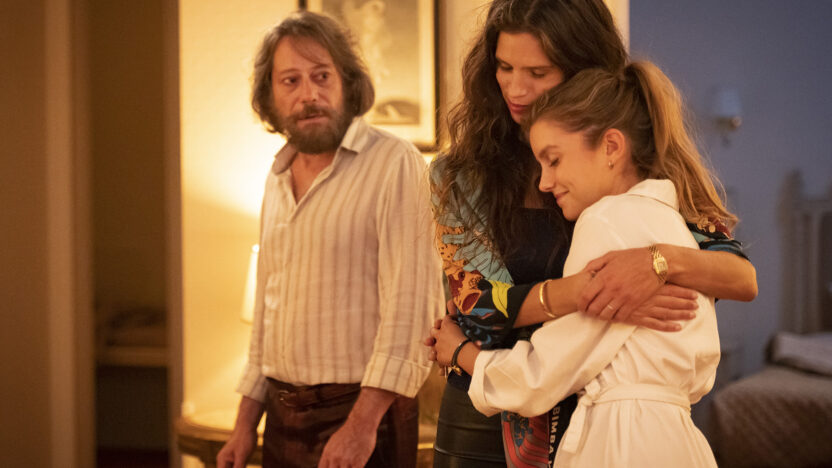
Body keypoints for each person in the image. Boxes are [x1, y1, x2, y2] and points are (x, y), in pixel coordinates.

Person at [426, 0, 756, 466]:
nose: (516, 88)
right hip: (483, 420)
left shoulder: (642, 173)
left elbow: (739, 276)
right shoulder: (459, 175)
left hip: (599, 420)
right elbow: (478, 307)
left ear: (581, 69)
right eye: (504, 67)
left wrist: (655, 263)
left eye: (538, 72)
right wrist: (591, 291)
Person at [216, 11, 444, 468]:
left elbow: (413, 309)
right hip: (280, 416)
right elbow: (266, 314)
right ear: (270, 96)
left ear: (347, 82)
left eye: (322, 76)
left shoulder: (394, 163)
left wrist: (361, 426)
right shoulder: (276, 176)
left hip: (363, 415)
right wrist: (244, 426)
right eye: (291, 81)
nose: (309, 94)